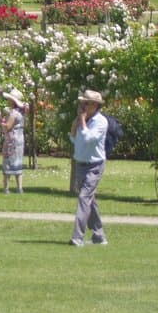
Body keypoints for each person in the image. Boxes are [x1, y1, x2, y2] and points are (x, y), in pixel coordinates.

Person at [69, 89, 109, 246]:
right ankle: (99, 235)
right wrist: (75, 125)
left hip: (95, 165)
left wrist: (83, 122)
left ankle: (77, 237)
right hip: (80, 163)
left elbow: (88, 139)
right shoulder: (82, 119)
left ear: (95, 105)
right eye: (82, 103)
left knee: (84, 198)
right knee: (89, 201)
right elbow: (75, 141)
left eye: (86, 103)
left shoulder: (101, 122)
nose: (82, 106)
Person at [1, 88, 26, 194]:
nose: (8, 101)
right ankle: (19, 187)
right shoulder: (21, 113)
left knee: (8, 163)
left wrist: (1, 123)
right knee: (18, 163)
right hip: (20, 140)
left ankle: (6, 188)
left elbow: (8, 127)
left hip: (12, 140)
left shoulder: (13, 113)